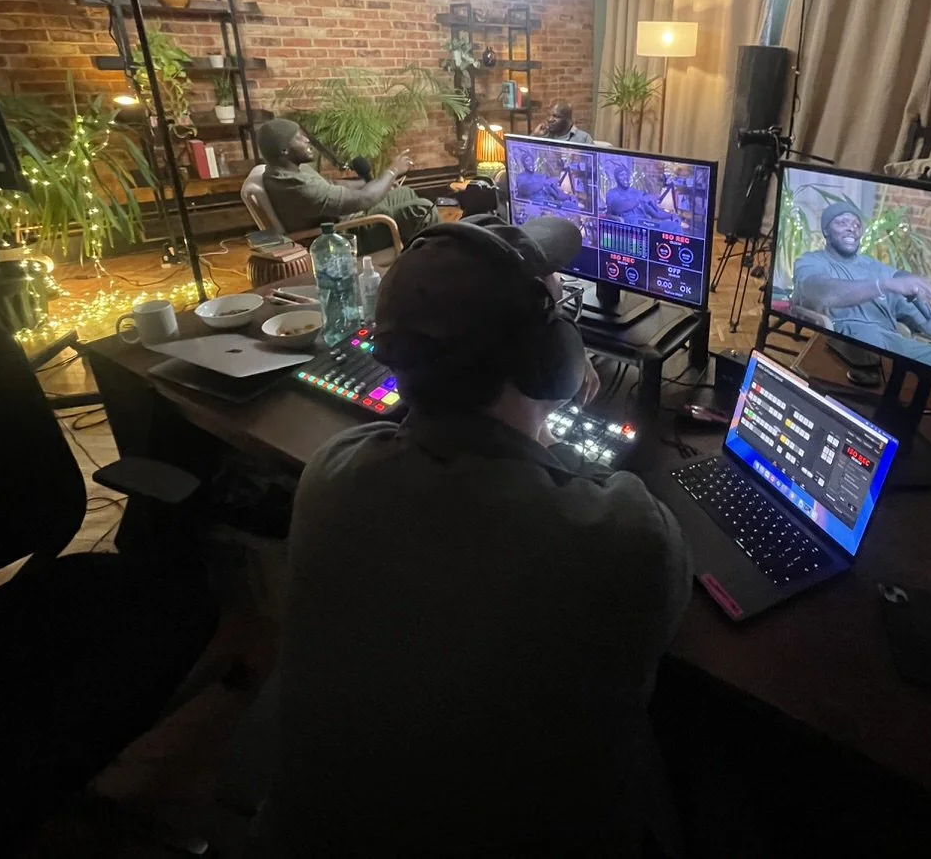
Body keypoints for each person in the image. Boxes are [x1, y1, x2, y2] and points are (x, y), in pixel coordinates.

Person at [261, 214, 691, 858]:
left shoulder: (332, 472)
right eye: (561, 320)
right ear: (552, 363)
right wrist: (548, 424)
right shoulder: (625, 535)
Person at [791, 199, 931, 390]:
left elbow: (929, 320)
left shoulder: (878, 269)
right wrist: (884, 285)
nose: (851, 229)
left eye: (856, 225)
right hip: (854, 350)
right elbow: (824, 293)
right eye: (842, 223)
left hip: (898, 350)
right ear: (826, 231)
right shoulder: (811, 262)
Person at [255, 117, 440, 244]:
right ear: (284, 151)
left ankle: (417, 254)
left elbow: (333, 185)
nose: (307, 140)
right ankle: (438, 259)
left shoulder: (292, 169)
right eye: (298, 138)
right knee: (422, 210)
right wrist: (393, 171)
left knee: (404, 193)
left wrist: (373, 183)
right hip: (343, 237)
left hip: (346, 220)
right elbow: (365, 199)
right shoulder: (296, 186)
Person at [604, 162, 679, 230]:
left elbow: (655, 212)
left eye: (627, 175)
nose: (625, 177)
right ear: (616, 178)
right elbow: (616, 208)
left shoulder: (637, 192)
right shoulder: (612, 193)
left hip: (645, 222)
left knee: (674, 227)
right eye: (622, 175)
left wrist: (670, 215)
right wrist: (640, 199)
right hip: (629, 225)